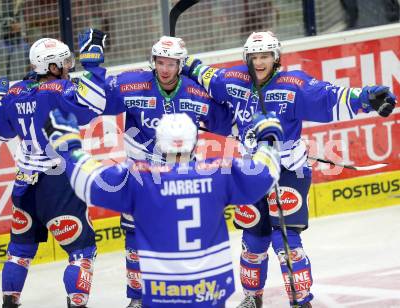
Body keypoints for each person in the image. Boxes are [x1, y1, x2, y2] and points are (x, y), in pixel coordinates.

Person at [182, 31, 397, 307]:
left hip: (288, 171)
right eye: (254, 57)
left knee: (285, 240)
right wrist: (182, 65)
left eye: (265, 56)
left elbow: (330, 97)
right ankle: (251, 297)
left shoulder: (294, 85)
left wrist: (367, 98)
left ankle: (301, 300)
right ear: (247, 58)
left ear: (276, 58)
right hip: (251, 172)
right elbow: (204, 74)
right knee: (253, 240)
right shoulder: (232, 80)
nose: (259, 62)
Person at [43, 109, 283, 308]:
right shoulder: (219, 172)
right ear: (195, 141)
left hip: (161, 291)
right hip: (210, 289)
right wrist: (268, 141)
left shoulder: (141, 178)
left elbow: (89, 183)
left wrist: (69, 148)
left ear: (160, 142)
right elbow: (265, 175)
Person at [76, 29, 233, 308]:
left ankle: (191, 290)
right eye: (160, 62)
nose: (164, 68)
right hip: (141, 177)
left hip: (181, 177)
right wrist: (92, 66)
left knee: (183, 237)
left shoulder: (195, 91)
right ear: (153, 61)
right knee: (135, 239)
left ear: (180, 65)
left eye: (171, 63)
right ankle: (138, 298)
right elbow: (96, 100)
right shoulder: (132, 83)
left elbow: (223, 122)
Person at [0, 38, 98, 308]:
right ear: (50, 65)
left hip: (24, 184)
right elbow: (89, 112)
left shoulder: (14, 93)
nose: (68, 67)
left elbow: (2, 131)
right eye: (64, 62)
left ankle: (9, 302)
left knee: (19, 251)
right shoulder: (62, 88)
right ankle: (77, 303)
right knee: (82, 252)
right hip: (58, 183)